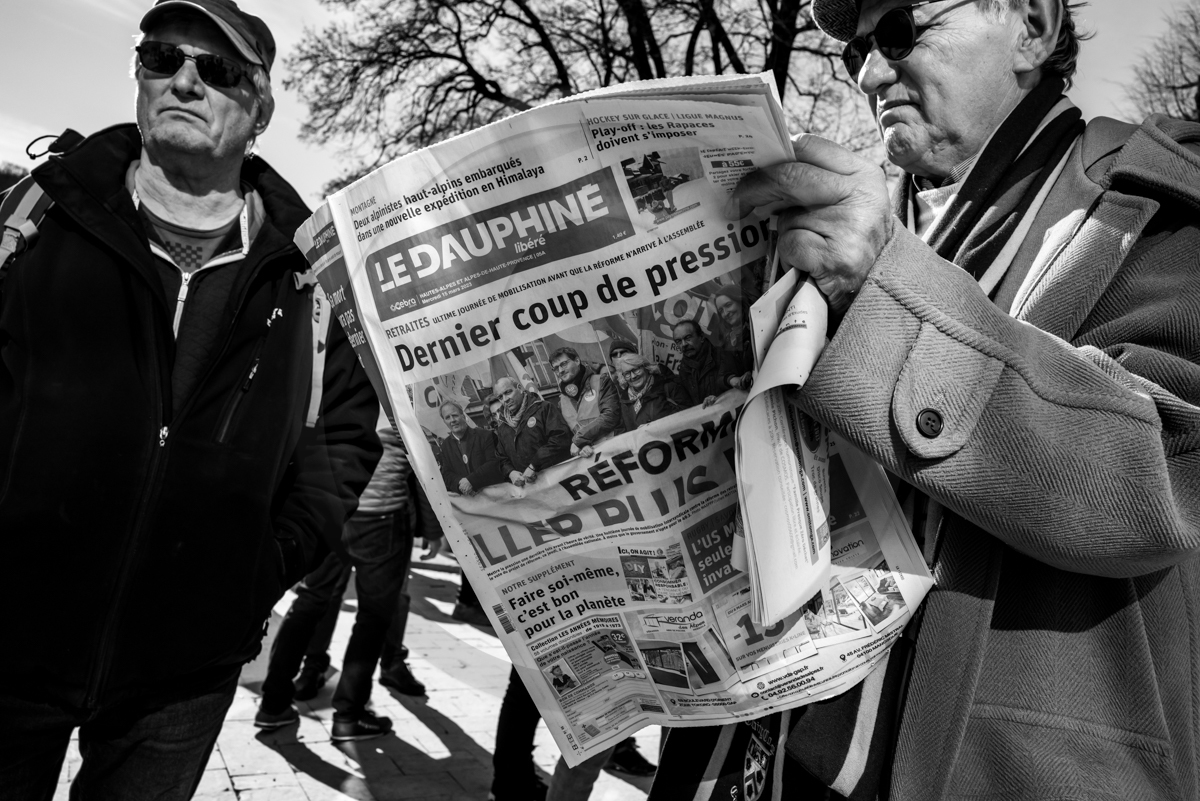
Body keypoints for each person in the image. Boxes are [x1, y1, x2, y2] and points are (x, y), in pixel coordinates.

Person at [723, 0, 1200, 798]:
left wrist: (881, 289)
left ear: (1033, 27)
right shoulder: (898, 224)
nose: (873, 71)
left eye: (902, 28)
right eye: (856, 52)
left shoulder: (1158, 211)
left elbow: (1157, 481)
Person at [0, 0, 381, 796]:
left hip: (181, 670)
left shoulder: (309, 275)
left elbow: (341, 442)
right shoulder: (38, 217)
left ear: (260, 110)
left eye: (217, 69)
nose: (184, 80)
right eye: (161, 58)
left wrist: (257, 572)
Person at [255, 413, 423, 737]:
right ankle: (348, 714)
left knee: (311, 598)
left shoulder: (338, 367)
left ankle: (273, 703)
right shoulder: (399, 385)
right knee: (373, 615)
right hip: (380, 512)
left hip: (330, 502)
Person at [493, 376, 572, 485]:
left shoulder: (544, 408)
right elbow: (501, 457)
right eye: (500, 397)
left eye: (508, 392)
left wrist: (534, 465)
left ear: (520, 388)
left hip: (559, 481)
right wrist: (511, 472)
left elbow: (561, 438)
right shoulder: (503, 426)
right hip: (532, 490)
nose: (505, 399)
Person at [549, 346, 623, 457]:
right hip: (591, 460)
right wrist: (583, 445)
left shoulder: (601, 381)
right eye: (555, 368)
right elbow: (570, 433)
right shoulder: (562, 401)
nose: (560, 370)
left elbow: (610, 416)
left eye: (564, 364)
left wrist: (579, 440)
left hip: (617, 450)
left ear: (577, 361)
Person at [438, 400, 506, 494]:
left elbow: (494, 463)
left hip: (495, 494)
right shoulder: (445, 446)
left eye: (455, 415)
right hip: (469, 500)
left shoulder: (486, 436)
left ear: (463, 415)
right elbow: (446, 473)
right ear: (444, 421)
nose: (452, 420)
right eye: (447, 417)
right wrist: (460, 484)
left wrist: (470, 481)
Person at [615, 352, 687, 427]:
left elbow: (690, 413)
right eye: (627, 374)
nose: (633, 376)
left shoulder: (668, 387)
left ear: (645, 367)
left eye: (636, 370)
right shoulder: (624, 402)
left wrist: (654, 427)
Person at [671, 319, 724, 407]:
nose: (684, 344)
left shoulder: (721, 356)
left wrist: (719, 398)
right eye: (678, 341)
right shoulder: (684, 369)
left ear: (701, 337)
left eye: (688, 338)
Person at [712, 284, 753, 391]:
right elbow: (721, 375)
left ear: (740, 301)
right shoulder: (728, 340)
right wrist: (732, 379)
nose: (725, 313)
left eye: (728, 305)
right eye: (720, 310)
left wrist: (752, 373)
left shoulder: (758, 326)